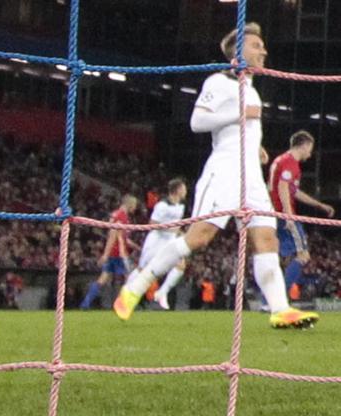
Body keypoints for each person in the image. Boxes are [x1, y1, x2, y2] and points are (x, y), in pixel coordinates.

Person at [114, 24, 318, 329]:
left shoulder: (250, 87)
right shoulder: (219, 81)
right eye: (256, 46)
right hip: (223, 171)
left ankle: (280, 309)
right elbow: (198, 121)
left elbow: (243, 125)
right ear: (238, 52)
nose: (263, 51)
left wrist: (257, 147)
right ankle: (135, 287)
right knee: (199, 236)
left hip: (251, 175)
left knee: (266, 237)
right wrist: (241, 115)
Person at [268, 131, 335, 300]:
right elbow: (283, 187)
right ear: (304, 145)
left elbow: (293, 191)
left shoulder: (280, 160)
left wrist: (318, 205)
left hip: (275, 213)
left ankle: (267, 299)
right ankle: (278, 299)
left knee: (283, 257)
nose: (310, 153)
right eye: (310, 148)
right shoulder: (290, 162)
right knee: (302, 256)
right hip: (284, 215)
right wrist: (289, 215)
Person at [81, 194, 139, 309]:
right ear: (130, 204)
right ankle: (124, 306)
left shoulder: (117, 215)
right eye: (135, 205)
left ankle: (85, 304)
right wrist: (105, 255)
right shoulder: (121, 216)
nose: (135, 208)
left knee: (103, 278)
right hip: (119, 253)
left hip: (114, 252)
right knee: (130, 278)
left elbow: (123, 238)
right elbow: (112, 236)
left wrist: (137, 247)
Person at [141, 179, 189, 310]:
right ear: (178, 190)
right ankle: (129, 296)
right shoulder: (162, 205)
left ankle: (162, 292)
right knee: (143, 270)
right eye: (184, 188)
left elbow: (174, 225)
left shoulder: (181, 206)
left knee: (181, 265)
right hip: (157, 240)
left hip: (170, 240)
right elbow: (153, 223)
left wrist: (181, 233)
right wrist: (170, 229)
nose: (185, 191)